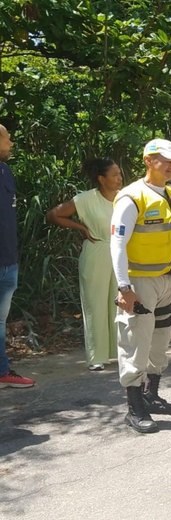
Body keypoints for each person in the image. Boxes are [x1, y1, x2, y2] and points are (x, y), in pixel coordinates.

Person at [111, 138, 171, 433]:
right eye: (165, 160)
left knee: (160, 342)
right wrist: (124, 287)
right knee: (136, 343)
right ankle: (134, 408)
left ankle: (151, 394)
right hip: (140, 283)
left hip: (169, 281)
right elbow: (117, 244)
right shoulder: (131, 197)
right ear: (148, 160)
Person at [46, 158, 123, 371]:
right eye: (115, 175)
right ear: (101, 179)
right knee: (95, 304)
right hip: (96, 252)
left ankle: (117, 352)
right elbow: (53, 214)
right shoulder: (86, 199)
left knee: (118, 303)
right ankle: (96, 357)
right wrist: (81, 228)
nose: (119, 178)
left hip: (119, 254)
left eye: (120, 174)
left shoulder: (124, 198)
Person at [0, 124, 36, 389]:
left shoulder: (6, 171)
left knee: (0, 321)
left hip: (8, 262)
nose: (11, 143)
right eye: (8, 138)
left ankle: (2, 371)